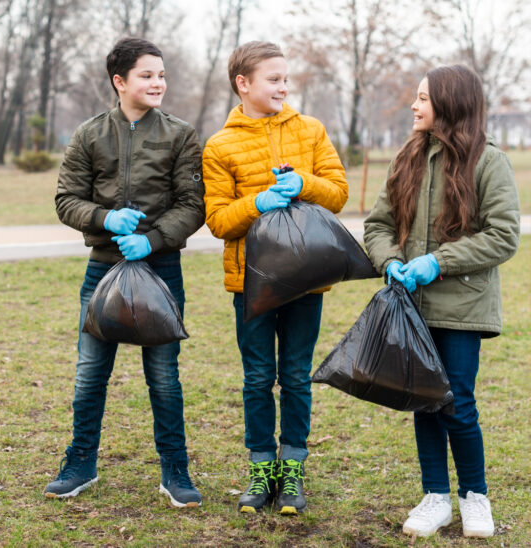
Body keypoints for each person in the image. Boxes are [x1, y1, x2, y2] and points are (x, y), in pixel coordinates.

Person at [47, 37, 206, 508]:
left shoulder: (180, 135)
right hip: (102, 270)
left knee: (163, 376)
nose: (158, 82)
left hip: (161, 272)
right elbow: (65, 200)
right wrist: (104, 218)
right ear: (120, 81)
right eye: (147, 75)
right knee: (90, 373)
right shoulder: (89, 135)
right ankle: (80, 462)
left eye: (161, 74)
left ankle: (175, 469)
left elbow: (192, 204)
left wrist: (153, 240)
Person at [364, 65, 520, 538]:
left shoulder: (489, 161)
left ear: (449, 104)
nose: (414, 106)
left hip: (463, 307)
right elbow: (378, 225)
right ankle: (435, 497)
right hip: (411, 307)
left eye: (423, 98)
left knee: (458, 402)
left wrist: (439, 261)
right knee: (424, 400)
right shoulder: (406, 158)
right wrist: (390, 260)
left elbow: (504, 234)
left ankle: (475, 498)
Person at [203, 41, 348, 515]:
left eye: (286, 79)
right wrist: (259, 202)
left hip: (306, 280)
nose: (284, 87)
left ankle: (293, 471)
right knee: (258, 377)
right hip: (253, 285)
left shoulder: (311, 130)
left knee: (296, 377)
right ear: (243, 84)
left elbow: (339, 193)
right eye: (274, 79)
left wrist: (304, 183)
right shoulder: (220, 145)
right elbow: (220, 221)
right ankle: (261, 467)